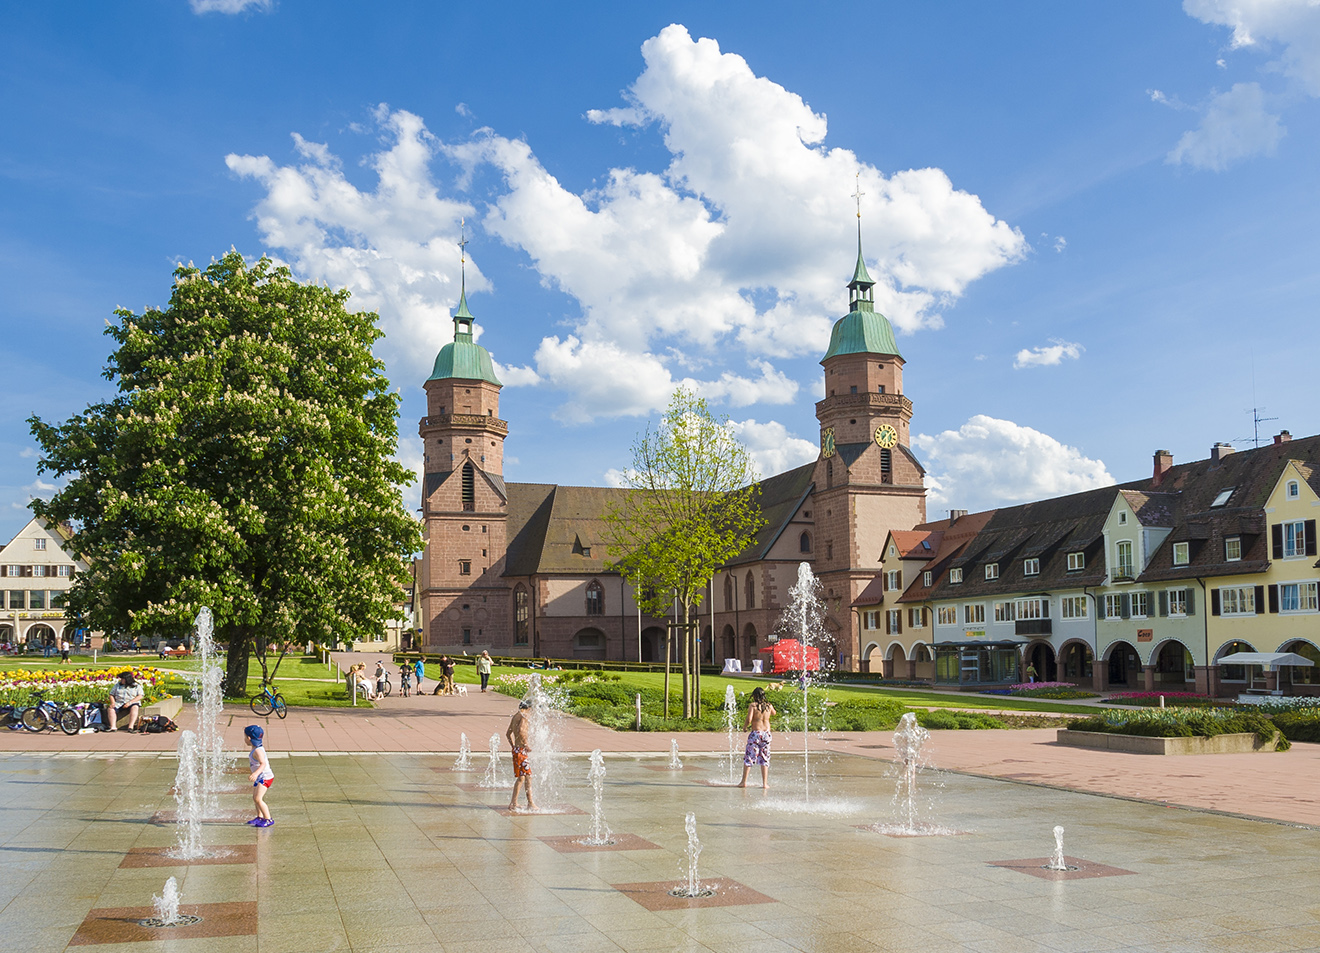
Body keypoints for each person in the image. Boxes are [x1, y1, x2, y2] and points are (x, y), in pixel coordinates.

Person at [738, 687, 776, 790]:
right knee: (764, 758)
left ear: (754, 696)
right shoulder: (769, 706)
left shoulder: (753, 706)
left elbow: (749, 718)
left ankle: (743, 781)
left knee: (749, 757)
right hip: (766, 734)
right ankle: (764, 783)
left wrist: (745, 727)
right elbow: (774, 713)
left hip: (756, 733)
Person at [505, 699, 537, 812]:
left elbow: (508, 733)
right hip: (521, 751)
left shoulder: (515, 716)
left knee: (524, 777)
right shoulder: (524, 716)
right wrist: (526, 745)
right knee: (525, 777)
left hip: (517, 750)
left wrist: (513, 746)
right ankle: (528, 803)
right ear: (529, 708)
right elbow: (521, 731)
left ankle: (516, 803)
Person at [245, 725, 275, 827]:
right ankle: (260, 817)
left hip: (265, 777)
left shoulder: (258, 751)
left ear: (249, 738)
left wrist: (255, 773)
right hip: (260, 777)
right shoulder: (256, 748)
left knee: (258, 798)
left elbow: (263, 764)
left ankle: (268, 819)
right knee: (255, 797)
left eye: (245, 737)